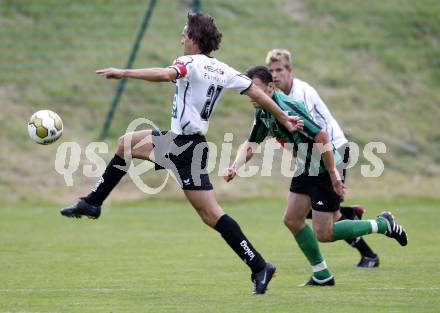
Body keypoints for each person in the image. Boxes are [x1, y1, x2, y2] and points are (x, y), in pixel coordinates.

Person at [59, 12, 304, 295]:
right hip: (186, 144)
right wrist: (283, 117)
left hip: (184, 148)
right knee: (126, 143)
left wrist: (125, 72)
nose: (182, 38)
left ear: (194, 39)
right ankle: (92, 202)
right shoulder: (221, 68)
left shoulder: (187, 62)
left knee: (212, 215)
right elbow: (257, 94)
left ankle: (260, 266)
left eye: (185, 33)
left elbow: (166, 74)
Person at [224, 66, 407, 286]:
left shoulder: (287, 106)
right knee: (292, 220)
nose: (250, 93)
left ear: (271, 87)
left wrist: (333, 174)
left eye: (255, 88)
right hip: (304, 168)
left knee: (325, 232)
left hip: (322, 169)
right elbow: (252, 143)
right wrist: (235, 166)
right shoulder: (263, 111)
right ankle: (322, 275)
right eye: (249, 89)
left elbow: (321, 135)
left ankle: (383, 224)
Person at [265, 48, 380, 268]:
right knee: (305, 214)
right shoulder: (278, 99)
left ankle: (367, 239)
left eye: (279, 69)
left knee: (325, 221)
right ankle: (360, 238)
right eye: (271, 71)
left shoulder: (300, 94)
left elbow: (316, 133)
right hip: (313, 157)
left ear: (290, 70)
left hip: (333, 150)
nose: (275, 75)